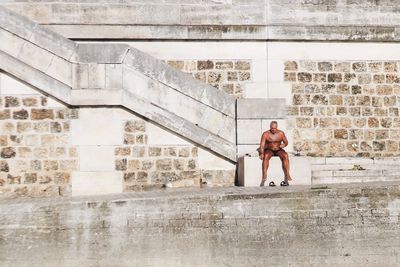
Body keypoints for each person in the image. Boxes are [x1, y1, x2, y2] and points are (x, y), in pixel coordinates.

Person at [259, 121, 293, 187]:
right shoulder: (266, 134)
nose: (273, 130)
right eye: (272, 128)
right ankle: (264, 174)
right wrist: (261, 153)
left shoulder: (281, 133)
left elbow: (286, 142)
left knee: (285, 155)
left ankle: (287, 173)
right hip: (269, 150)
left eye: (274, 128)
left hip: (279, 150)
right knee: (266, 156)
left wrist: (284, 144)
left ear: (277, 127)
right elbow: (262, 145)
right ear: (270, 127)